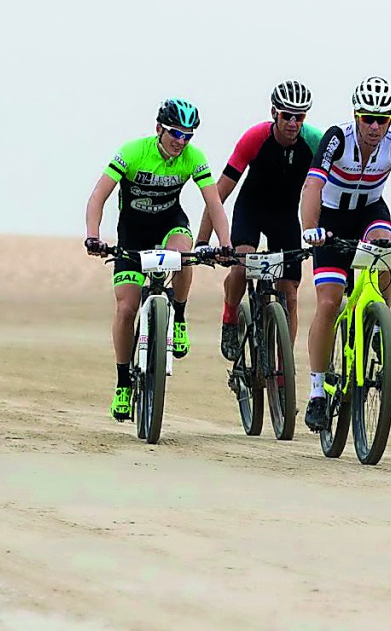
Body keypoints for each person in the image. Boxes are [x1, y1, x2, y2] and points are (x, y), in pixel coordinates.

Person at [299, 76, 391, 431]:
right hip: (331, 221)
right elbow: (312, 185)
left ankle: (378, 321)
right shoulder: (337, 138)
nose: (375, 126)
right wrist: (310, 227)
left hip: (369, 214)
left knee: (384, 247)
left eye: (382, 119)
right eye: (368, 118)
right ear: (356, 116)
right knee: (329, 303)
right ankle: (317, 391)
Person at [84, 98, 233, 422]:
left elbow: (214, 203)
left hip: (170, 224)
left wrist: (225, 243)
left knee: (184, 254)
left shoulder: (193, 158)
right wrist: (93, 235)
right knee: (126, 308)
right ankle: (124, 382)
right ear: (159, 129)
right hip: (132, 233)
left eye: (187, 136)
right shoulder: (133, 152)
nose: (181, 141)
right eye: (175, 134)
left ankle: (177, 316)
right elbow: (98, 196)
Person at [196, 81, 324, 361]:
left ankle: (283, 367)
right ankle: (230, 316)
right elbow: (219, 193)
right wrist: (203, 241)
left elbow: (333, 189)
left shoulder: (315, 141)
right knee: (241, 267)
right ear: (273, 113)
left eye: (299, 116)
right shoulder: (254, 138)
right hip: (251, 209)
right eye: (286, 115)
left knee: (289, 293)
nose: (292, 123)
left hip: (285, 215)